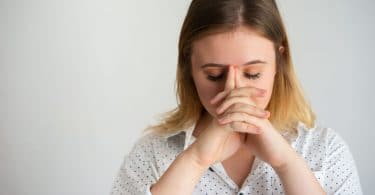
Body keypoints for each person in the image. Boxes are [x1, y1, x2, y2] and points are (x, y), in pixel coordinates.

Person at [111, 0, 363, 194]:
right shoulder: (153, 152)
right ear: (188, 66)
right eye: (214, 75)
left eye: (252, 74)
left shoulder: (325, 150)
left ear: (279, 61)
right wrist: (196, 160)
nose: (233, 91)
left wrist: (286, 164)